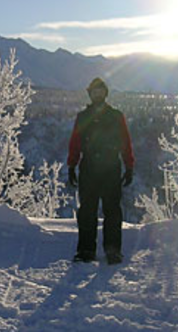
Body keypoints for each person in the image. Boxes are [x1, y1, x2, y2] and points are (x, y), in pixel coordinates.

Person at [67, 77, 135, 264]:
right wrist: (71, 165)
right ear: (90, 94)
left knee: (112, 211)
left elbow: (125, 142)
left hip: (111, 168)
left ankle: (113, 251)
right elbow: (75, 142)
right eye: (94, 91)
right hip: (88, 168)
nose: (98, 94)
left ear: (105, 93)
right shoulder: (82, 117)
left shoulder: (116, 116)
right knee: (87, 211)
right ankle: (86, 251)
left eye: (101, 91)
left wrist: (129, 166)